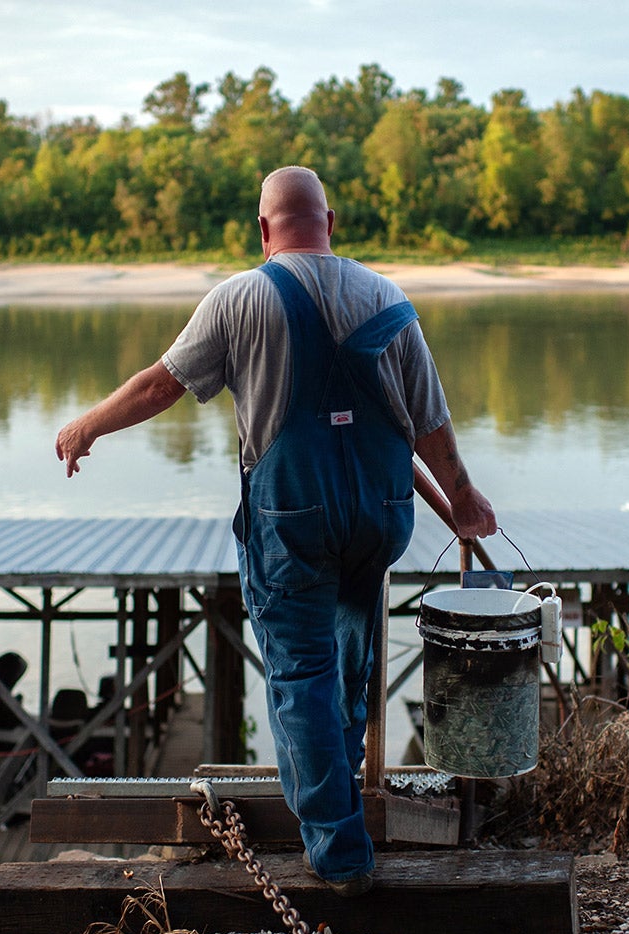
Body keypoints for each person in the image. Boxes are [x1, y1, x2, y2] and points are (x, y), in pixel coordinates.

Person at [54, 165, 496, 896]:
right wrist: (466, 499)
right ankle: (343, 795)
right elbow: (428, 423)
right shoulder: (388, 297)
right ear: (331, 221)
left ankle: (339, 853)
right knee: (352, 663)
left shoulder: (239, 298)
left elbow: (160, 385)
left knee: (301, 675)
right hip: (381, 519)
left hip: (292, 520)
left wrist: (86, 426)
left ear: (263, 229)